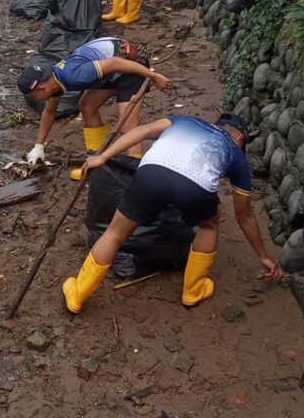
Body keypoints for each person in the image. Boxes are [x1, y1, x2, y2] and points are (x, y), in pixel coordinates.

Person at [61, 113, 283, 315]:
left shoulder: (185, 120)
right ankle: (193, 291)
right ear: (240, 138)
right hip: (194, 187)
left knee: (114, 233)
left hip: (152, 172)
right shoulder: (236, 154)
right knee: (209, 224)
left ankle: (77, 295)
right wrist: (263, 255)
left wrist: (102, 156)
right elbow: (244, 215)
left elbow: (143, 130)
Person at [16, 38, 171, 178]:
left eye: (34, 96)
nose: (35, 99)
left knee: (127, 127)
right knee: (87, 106)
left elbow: (115, 63)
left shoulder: (73, 75)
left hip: (129, 66)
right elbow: (49, 112)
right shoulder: (54, 83)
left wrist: (153, 76)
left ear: (42, 88)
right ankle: (96, 162)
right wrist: (39, 146)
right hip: (109, 72)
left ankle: (135, 173)